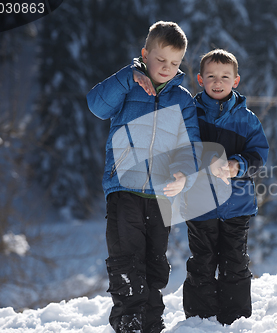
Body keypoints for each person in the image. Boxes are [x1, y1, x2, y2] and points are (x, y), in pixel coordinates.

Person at [86, 21, 200, 333]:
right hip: (124, 188)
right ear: (145, 54)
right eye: (160, 60)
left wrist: (184, 175)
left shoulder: (183, 99)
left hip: (161, 195)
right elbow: (96, 104)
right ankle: (129, 322)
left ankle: (151, 323)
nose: (166, 67)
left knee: (155, 264)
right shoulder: (128, 85)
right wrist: (127, 77)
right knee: (126, 258)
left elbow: (189, 146)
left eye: (174, 63)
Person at [183, 49, 269, 325]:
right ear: (200, 79)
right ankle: (200, 320)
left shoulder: (247, 120)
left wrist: (237, 165)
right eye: (211, 76)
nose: (217, 82)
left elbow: (259, 156)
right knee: (202, 261)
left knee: (234, 261)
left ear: (236, 80)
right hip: (200, 204)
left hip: (236, 204)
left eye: (224, 76)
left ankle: (235, 319)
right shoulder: (191, 114)